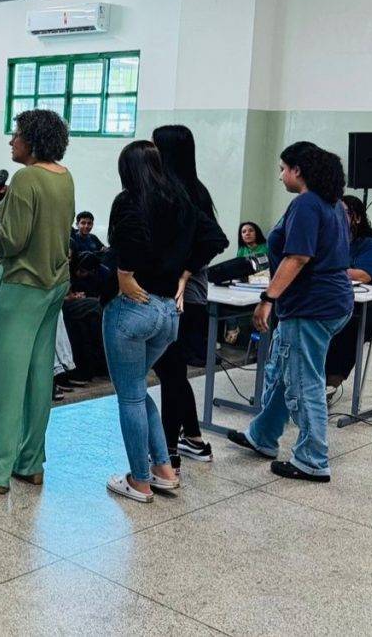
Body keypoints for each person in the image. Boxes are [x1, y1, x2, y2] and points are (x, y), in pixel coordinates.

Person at [103, 141, 226, 502]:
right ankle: (163, 469)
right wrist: (186, 273)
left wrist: (125, 273)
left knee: (128, 397)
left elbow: (133, 240)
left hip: (133, 309)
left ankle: (139, 481)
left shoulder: (129, 200)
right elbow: (215, 238)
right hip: (169, 313)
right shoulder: (181, 200)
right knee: (138, 389)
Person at [228, 143, 353, 482]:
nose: (280, 175)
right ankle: (263, 436)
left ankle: (312, 459)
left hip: (311, 307)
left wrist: (268, 298)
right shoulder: (334, 205)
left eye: (283, 168)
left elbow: (297, 257)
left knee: (303, 382)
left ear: (298, 170)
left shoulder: (308, 205)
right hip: (330, 302)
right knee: (284, 372)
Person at [0, 109, 75, 494]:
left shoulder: (26, 177)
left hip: (19, 285)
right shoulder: (64, 176)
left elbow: (8, 240)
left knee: (0, 379)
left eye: (17, 134)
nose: (12, 140)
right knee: (36, 376)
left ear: (33, 140)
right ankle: (30, 462)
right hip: (54, 284)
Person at [149, 125, 227, 472]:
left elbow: (214, 241)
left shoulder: (178, 193)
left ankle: (168, 451)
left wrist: (183, 271)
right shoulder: (194, 189)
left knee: (171, 372)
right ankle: (193, 437)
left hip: (181, 296)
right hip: (188, 294)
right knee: (174, 370)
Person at [324, 195, 372, 397]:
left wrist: (328, 269)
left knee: (346, 325)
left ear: (357, 218)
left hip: (368, 306)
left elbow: (364, 275)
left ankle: (331, 379)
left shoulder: (370, 244)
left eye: (343, 212)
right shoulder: (331, 241)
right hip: (337, 299)